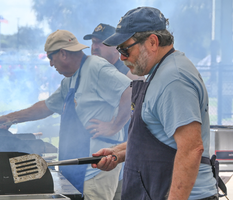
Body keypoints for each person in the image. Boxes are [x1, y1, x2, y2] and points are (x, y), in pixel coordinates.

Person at [91, 7, 224, 200]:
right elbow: (159, 138)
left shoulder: (174, 79)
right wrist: (118, 152)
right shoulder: (160, 72)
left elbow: (191, 149)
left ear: (153, 42)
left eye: (126, 49)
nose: (122, 57)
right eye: (119, 50)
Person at [0, 29, 132, 200]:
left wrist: (114, 126)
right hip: (75, 166)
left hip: (95, 168)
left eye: (51, 57)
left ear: (63, 53)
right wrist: (11, 118)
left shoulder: (95, 67)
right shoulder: (70, 80)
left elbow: (130, 91)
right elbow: (46, 106)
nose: (50, 63)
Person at [83, 23, 144, 200]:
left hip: (123, 156)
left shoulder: (128, 71)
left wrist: (114, 126)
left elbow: (131, 94)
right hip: (109, 157)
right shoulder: (95, 71)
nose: (95, 47)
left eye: (100, 43)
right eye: (93, 42)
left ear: (116, 48)